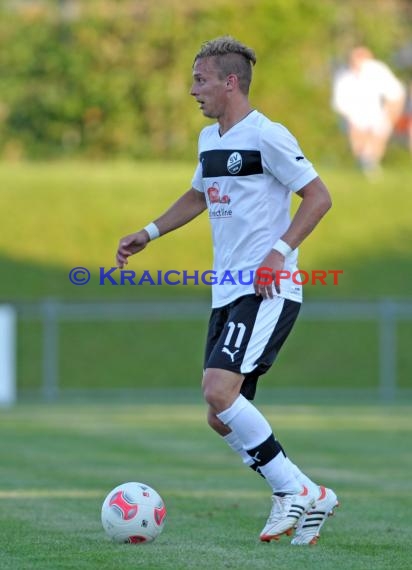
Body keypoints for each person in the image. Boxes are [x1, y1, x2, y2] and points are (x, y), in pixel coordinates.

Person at [116, 36, 336, 546]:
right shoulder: (210, 140)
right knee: (220, 417)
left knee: (218, 391)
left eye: (201, 80)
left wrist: (279, 251)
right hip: (226, 291)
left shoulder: (269, 136)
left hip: (266, 287)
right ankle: (308, 491)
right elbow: (198, 195)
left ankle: (290, 493)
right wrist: (148, 232)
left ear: (229, 82)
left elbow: (319, 196)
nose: (193, 90)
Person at [332, 46, 406, 175]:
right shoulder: (344, 76)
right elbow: (340, 102)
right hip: (354, 115)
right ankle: (364, 164)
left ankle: (371, 165)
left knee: (377, 139)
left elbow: (395, 93)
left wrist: (389, 114)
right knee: (360, 143)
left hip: (378, 113)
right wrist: (351, 119)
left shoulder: (377, 71)